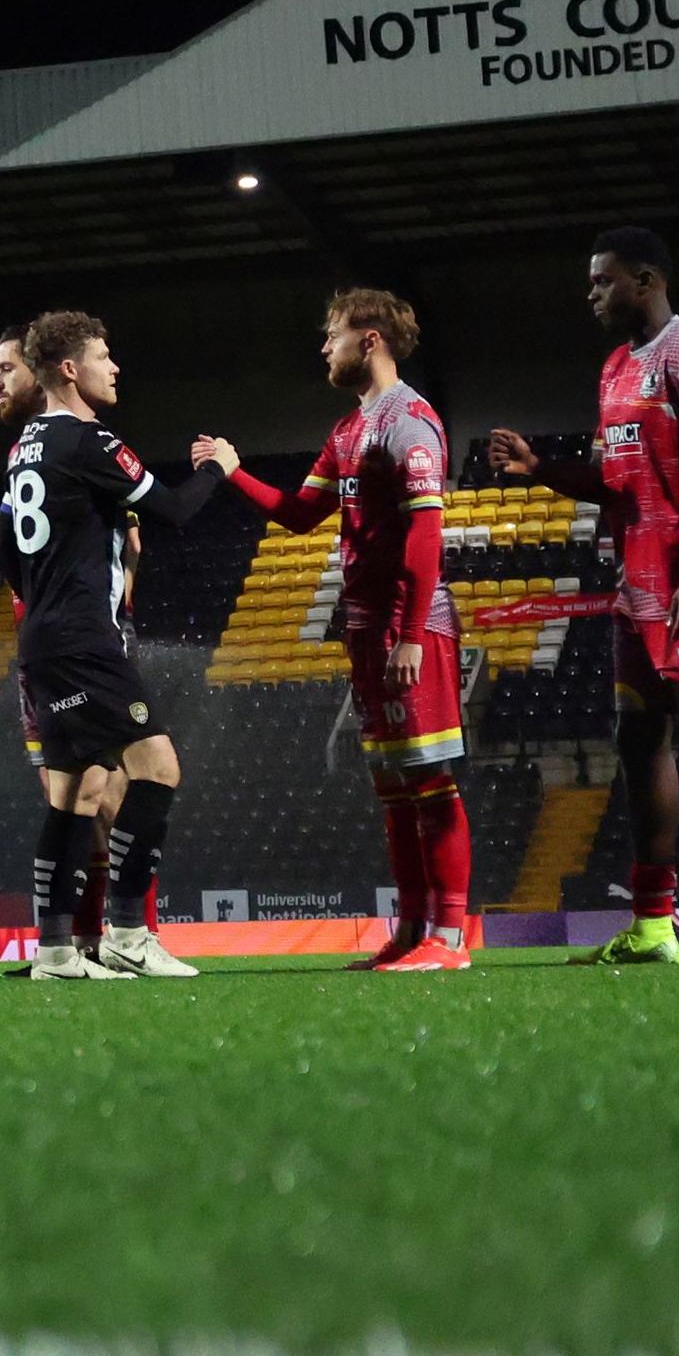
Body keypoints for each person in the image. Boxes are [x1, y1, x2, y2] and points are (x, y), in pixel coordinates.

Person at [485, 229, 679, 964]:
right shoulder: (616, 368)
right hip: (637, 595)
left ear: (645, 280)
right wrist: (540, 468)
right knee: (639, 744)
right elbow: (613, 481)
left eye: (602, 282)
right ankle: (653, 924)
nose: (592, 295)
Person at [193, 290, 474, 972]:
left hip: (412, 630)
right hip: (365, 629)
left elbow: (426, 532)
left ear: (369, 339)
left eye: (333, 334)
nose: (324, 348)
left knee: (431, 781)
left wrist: (408, 633)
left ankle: (452, 938)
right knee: (394, 787)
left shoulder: (409, 420)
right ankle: (410, 931)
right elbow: (300, 514)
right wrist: (234, 472)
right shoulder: (350, 429)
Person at [0, 315, 199, 982]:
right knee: (158, 769)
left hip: (40, 639)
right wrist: (219, 469)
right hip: (84, 637)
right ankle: (130, 932)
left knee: (72, 795)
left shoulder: (24, 449)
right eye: (104, 355)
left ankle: (55, 951)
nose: (114, 367)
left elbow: (13, 560)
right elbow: (179, 511)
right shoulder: (88, 438)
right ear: (70, 368)